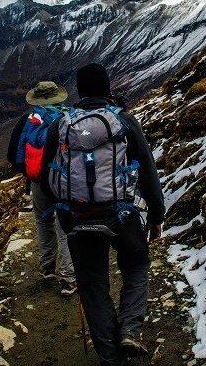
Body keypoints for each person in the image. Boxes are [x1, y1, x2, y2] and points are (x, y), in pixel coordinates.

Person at [41, 63, 165, 364]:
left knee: (93, 286)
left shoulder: (61, 125)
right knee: (136, 266)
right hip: (120, 214)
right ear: (108, 88)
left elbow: (46, 178)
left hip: (78, 217)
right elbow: (148, 171)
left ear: (79, 91)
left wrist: (67, 213)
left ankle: (111, 357)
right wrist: (157, 215)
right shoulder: (123, 120)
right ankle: (130, 329)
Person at [7, 81, 77, 297]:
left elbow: (12, 154)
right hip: (64, 181)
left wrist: (29, 172)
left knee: (43, 220)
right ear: (59, 97)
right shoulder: (70, 117)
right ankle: (68, 278)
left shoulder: (28, 121)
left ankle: (47, 268)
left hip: (38, 181)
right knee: (65, 225)